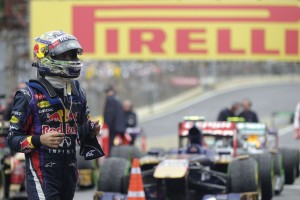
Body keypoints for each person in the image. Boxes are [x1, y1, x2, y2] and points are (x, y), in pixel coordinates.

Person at [7, 30, 104, 200]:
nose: (71, 61)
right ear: (45, 56)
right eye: (65, 56)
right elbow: (12, 140)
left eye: (73, 55)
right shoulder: (28, 95)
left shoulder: (77, 92)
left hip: (69, 171)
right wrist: (39, 140)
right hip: (42, 173)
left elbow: (77, 133)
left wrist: (90, 130)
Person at [103, 85, 126, 152]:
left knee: (110, 144)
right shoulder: (117, 99)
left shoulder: (109, 100)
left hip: (113, 127)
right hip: (120, 126)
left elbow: (110, 115)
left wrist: (107, 126)